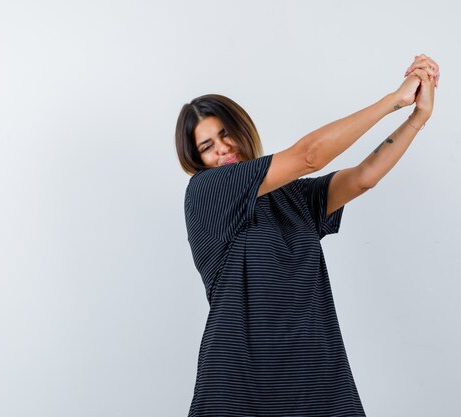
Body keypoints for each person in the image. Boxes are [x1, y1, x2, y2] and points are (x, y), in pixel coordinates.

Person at [175, 54, 439, 417]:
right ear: (198, 160)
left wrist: (416, 118)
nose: (221, 148)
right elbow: (309, 156)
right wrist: (394, 99)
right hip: (239, 386)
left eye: (225, 133)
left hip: (316, 380)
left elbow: (364, 176)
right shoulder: (208, 192)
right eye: (206, 146)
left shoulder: (293, 196)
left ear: (242, 128)